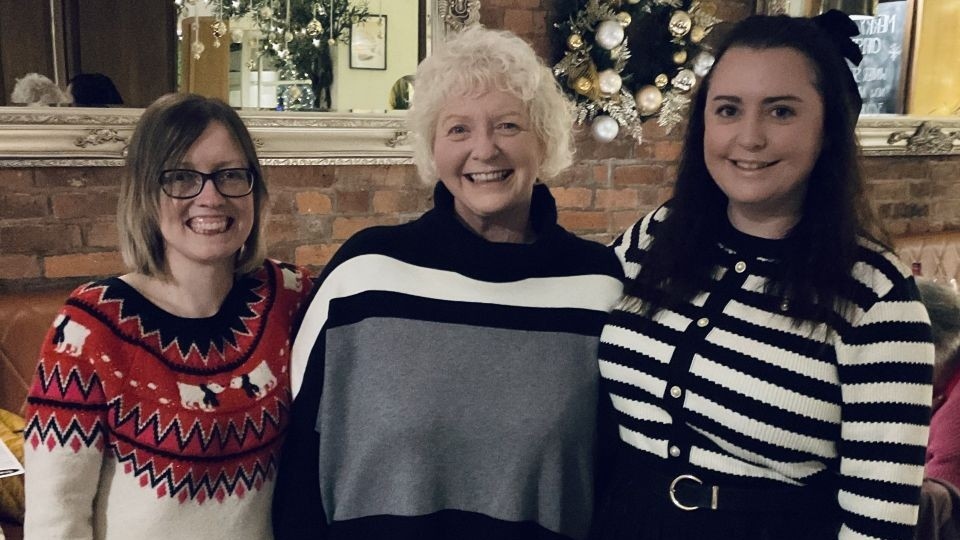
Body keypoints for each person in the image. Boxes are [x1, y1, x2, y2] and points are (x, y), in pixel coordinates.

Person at [273, 25, 624, 540]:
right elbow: (299, 467)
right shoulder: (362, 278)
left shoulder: (597, 288)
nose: (484, 150)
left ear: (544, 138)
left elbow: (619, 481)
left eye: (508, 125)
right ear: (432, 147)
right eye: (458, 129)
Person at [594, 11, 933, 540]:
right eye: (728, 110)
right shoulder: (656, 235)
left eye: (780, 111)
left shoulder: (876, 299)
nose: (749, 138)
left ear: (827, 130)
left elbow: (879, 523)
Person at [23, 93, 312, 539]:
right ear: (145, 192)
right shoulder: (90, 326)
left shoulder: (291, 297)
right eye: (181, 178)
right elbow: (55, 520)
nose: (211, 197)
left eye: (231, 175)